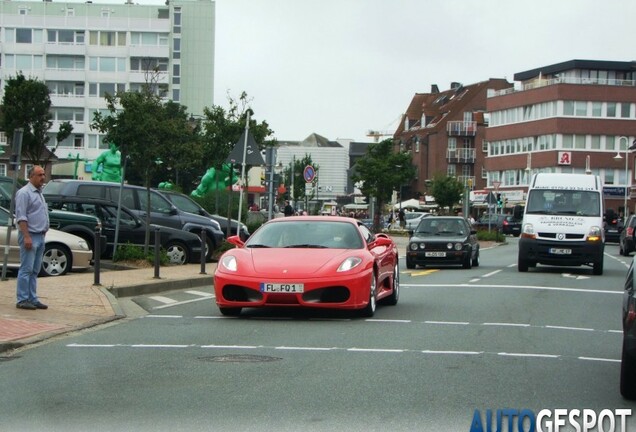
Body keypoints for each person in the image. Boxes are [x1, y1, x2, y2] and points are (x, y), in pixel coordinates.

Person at [14, 165, 50, 310]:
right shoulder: (24, 193)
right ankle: (22, 299)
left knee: (35, 270)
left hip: (40, 236)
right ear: (31, 176)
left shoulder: (39, 192)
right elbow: (21, 217)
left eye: (43, 174)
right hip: (30, 236)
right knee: (26, 269)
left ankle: (32, 298)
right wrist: (27, 236)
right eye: (40, 175)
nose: (43, 177)